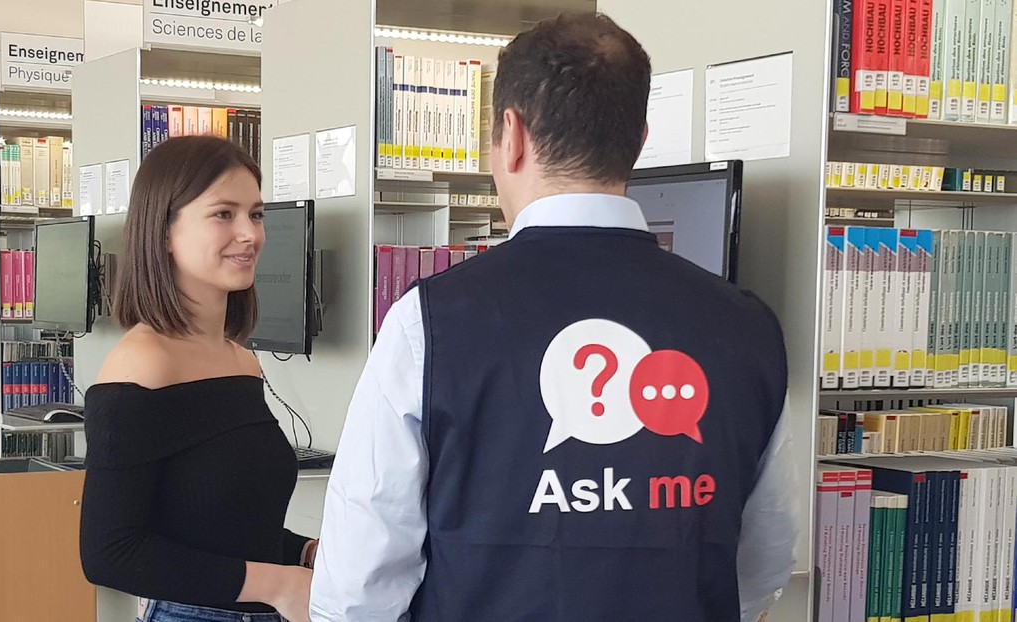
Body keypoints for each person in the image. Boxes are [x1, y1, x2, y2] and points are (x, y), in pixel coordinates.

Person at [310, 12, 796, 622]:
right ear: (640, 139)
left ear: (511, 135)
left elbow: (357, 589)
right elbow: (760, 564)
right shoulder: (749, 327)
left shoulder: (428, 322)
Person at [79, 135, 315, 622]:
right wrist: (279, 584)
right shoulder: (143, 365)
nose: (249, 234)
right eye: (223, 214)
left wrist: (303, 552)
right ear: (164, 231)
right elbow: (109, 552)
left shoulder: (240, 361)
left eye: (256, 214)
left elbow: (221, 526)